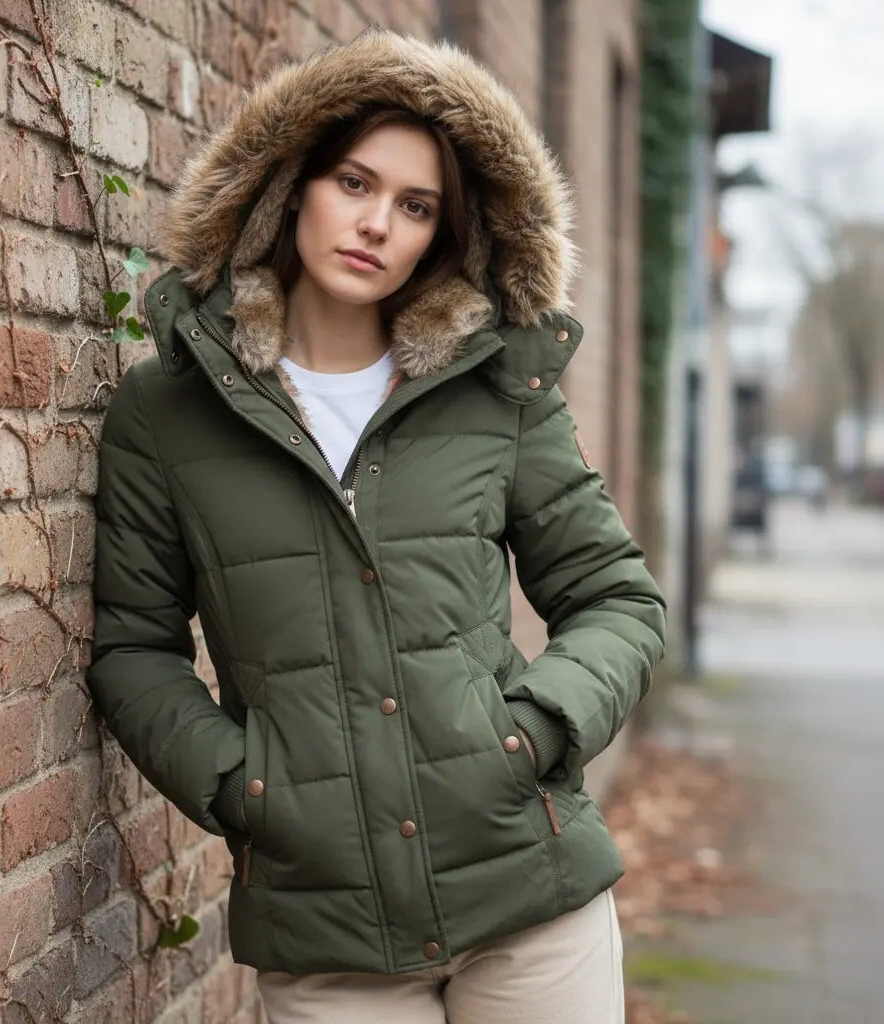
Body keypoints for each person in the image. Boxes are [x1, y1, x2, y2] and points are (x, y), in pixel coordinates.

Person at [88, 27, 666, 1024]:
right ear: (292, 188)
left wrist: (531, 732)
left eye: (414, 206)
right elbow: (133, 650)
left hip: (528, 898)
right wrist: (246, 791)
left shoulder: (497, 392)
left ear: (440, 233)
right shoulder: (167, 412)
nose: (376, 225)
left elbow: (617, 599)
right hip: (327, 930)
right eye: (353, 184)